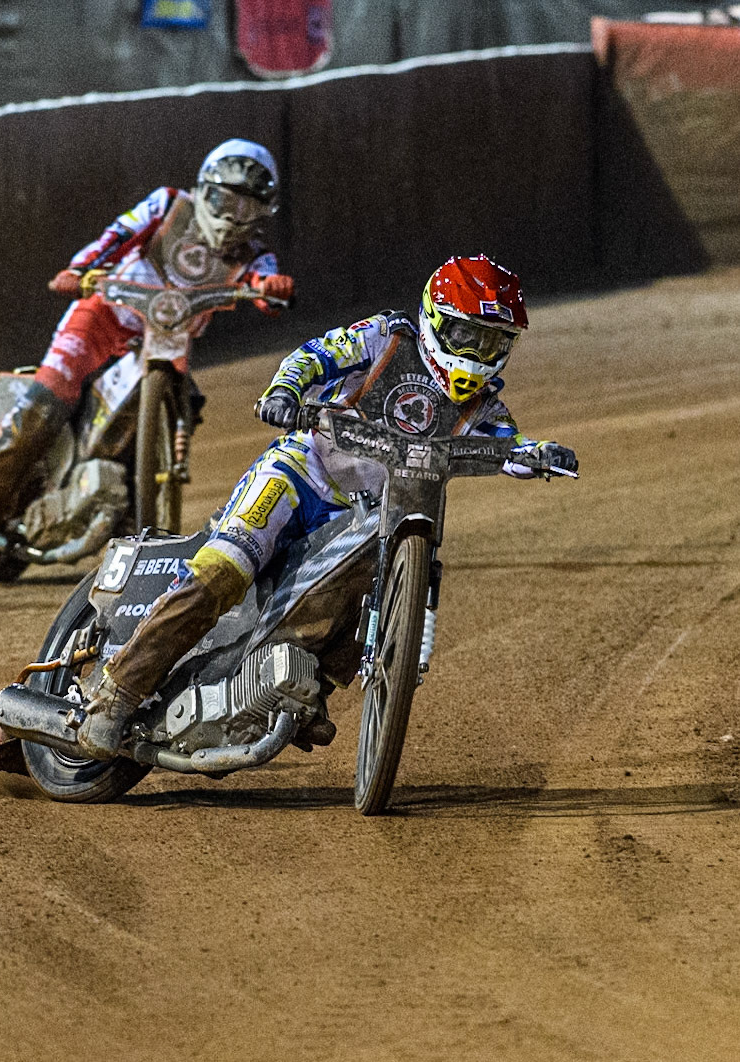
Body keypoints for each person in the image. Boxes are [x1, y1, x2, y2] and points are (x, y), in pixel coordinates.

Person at [74, 254, 579, 758]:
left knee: (366, 594)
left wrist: (539, 455)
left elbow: (508, 448)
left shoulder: (485, 406)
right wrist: (284, 391)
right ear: (435, 320)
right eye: (468, 336)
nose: (478, 353)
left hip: (366, 513)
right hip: (303, 471)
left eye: (493, 343)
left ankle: (302, 685)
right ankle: (115, 694)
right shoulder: (387, 337)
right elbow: (314, 355)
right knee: (224, 570)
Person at [0, 138, 296, 578]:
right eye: (223, 199)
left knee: (184, 402)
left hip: (165, 340)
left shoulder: (255, 257)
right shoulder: (170, 205)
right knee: (49, 394)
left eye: (245, 207)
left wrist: (275, 290)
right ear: (203, 189)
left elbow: (268, 292)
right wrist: (79, 270)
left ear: (263, 213)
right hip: (104, 315)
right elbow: (117, 235)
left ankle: (135, 526)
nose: (231, 216)